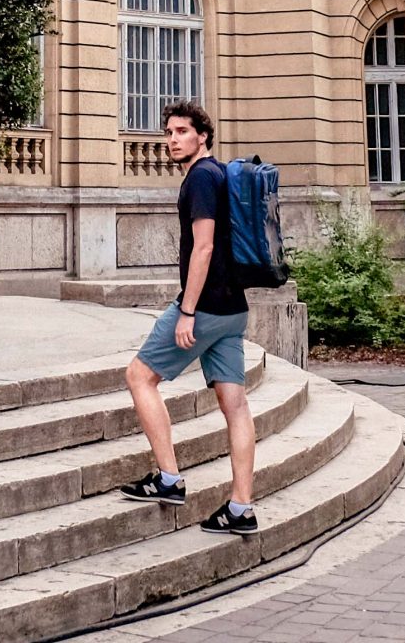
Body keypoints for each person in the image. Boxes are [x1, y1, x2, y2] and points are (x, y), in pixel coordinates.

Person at [120, 100, 257, 534]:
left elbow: (205, 247)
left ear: (203, 135)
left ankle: (168, 478)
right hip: (234, 309)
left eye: (181, 132)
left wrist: (187, 311)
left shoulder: (200, 178)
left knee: (140, 376)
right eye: (168, 133)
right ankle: (240, 508)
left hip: (206, 308)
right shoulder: (218, 175)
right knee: (235, 407)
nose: (172, 140)